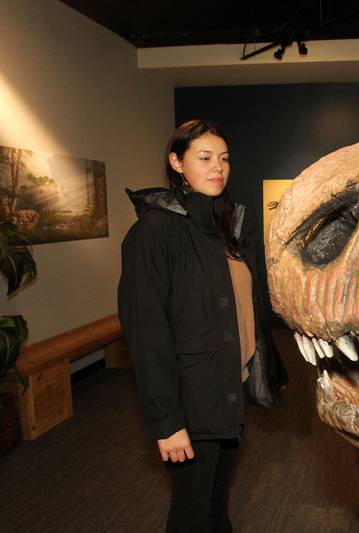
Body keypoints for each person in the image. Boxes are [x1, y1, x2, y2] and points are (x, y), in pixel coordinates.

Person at [118, 119, 287, 532]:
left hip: (228, 389)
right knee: (192, 510)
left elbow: (245, 308)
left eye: (224, 159)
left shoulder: (228, 227)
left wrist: (265, 369)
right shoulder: (153, 232)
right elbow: (147, 333)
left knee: (216, 499)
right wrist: (167, 422)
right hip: (189, 399)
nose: (218, 168)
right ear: (177, 163)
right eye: (205, 158)